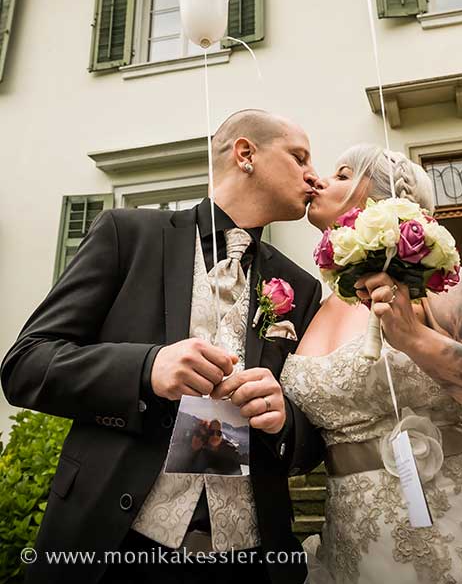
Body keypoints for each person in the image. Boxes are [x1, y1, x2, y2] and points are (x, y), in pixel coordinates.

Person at [1, 109, 325, 584]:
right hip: (113, 545)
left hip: (251, 559)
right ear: (245, 154)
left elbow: (312, 438)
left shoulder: (298, 285)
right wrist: (147, 368)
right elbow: (25, 365)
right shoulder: (127, 236)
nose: (313, 174)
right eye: (299, 157)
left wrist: (283, 421)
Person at [280, 144, 462, 584]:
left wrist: (415, 339)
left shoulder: (431, 281)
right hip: (357, 531)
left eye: (341, 175)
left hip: (459, 515)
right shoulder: (315, 305)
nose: (320, 180)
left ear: (380, 199)